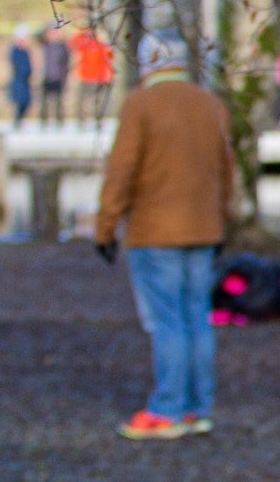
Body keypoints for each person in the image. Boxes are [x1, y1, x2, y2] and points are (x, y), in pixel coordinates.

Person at [95, 34, 233, 440]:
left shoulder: (140, 104)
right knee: (197, 317)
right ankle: (197, 407)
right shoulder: (210, 105)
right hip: (203, 227)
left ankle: (167, 409)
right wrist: (221, 219)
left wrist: (106, 226)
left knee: (167, 320)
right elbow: (226, 170)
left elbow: (121, 170)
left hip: (155, 230)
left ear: (148, 61)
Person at [72, 27, 116, 122]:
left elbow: (108, 61)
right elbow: (73, 42)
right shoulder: (85, 44)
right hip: (84, 76)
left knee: (97, 101)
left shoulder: (102, 46)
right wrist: (83, 31)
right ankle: (83, 120)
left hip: (97, 77)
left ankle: (98, 119)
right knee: (83, 100)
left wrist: (105, 76)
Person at [39, 24, 72, 126]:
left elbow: (66, 62)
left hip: (58, 77)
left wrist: (64, 76)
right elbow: (36, 36)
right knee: (44, 102)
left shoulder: (62, 46)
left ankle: (59, 122)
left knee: (59, 102)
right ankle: (43, 122)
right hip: (46, 77)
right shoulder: (45, 45)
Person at [6, 26, 35, 128]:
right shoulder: (15, 51)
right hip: (19, 81)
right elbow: (19, 67)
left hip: (25, 81)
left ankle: (19, 122)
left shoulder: (25, 51)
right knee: (20, 103)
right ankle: (17, 123)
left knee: (25, 103)